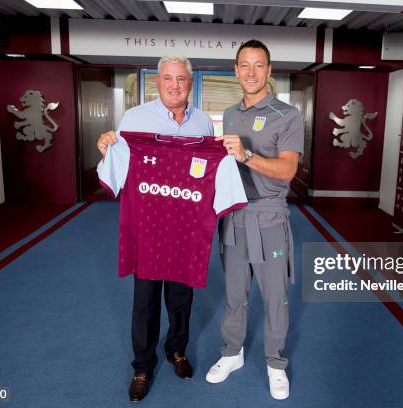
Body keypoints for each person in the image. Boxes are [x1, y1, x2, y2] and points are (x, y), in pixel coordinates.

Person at [96, 55, 213, 402]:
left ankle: (177, 350)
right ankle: (142, 366)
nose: (174, 85)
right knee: (144, 301)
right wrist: (105, 147)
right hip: (148, 227)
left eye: (181, 79)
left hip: (185, 228)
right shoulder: (134, 119)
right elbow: (118, 165)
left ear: (190, 84)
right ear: (157, 82)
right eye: (167, 79)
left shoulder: (204, 122)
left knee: (181, 297)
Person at [206, 39, 304, 400]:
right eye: (244, 65)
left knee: (275, 297)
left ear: (269, 70)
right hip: (234, 216)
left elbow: (288, 169)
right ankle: (232, 353)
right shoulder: (230, 114)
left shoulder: (287, 115)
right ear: (235, 71)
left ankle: (275, 363)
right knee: (234, 294)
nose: (250, 72)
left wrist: (246, 155)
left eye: (258, 65)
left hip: (269, 216)